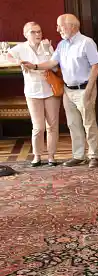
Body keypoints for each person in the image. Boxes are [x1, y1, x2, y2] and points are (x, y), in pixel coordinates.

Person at [38, 14, 98, 168]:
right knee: (73, 124)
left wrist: (89, 90)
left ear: (72, 26)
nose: (57, 29)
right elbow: (53, 62)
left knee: (89, 123)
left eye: (60, 25)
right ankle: (78, 155)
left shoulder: (87, 42)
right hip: (68, 91)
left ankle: (93, 155)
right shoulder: (62, 45)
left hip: (84, 89)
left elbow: (96, 66)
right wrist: (34, 66)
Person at [13, 22, 60, 167]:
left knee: (52, 126)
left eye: (39, 31)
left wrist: (48, 52)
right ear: (25, 34)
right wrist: (19, 62)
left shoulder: (47, 46)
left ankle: (51, 156)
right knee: (38, 127)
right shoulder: (21, 48)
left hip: (50, 90)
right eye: (33, 32)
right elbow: (7, 56)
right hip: (32, 91)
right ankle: (37, 156)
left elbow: (56, 66)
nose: (38, 34)